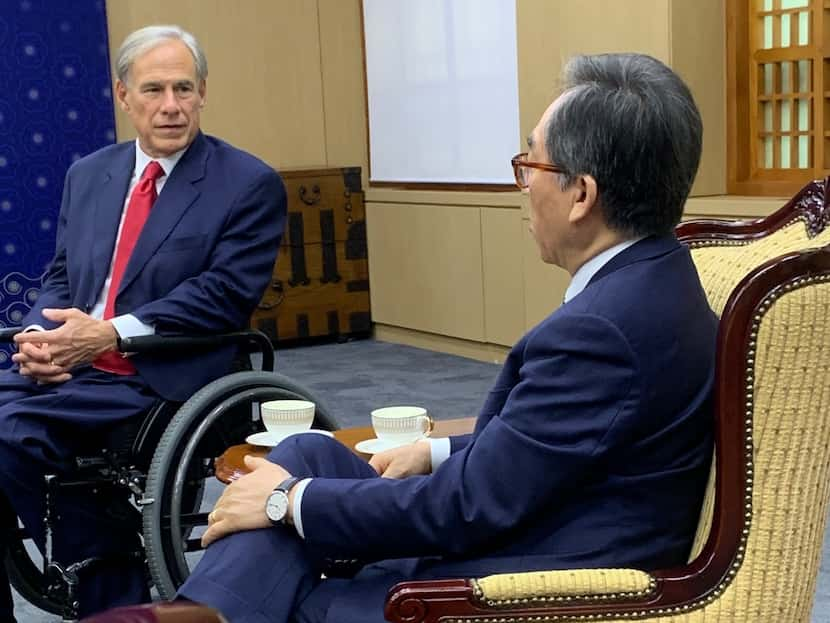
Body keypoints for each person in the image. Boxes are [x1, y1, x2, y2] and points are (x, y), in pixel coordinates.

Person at [177, 52, 718, 623]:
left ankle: (196, 612)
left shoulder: (601, 332)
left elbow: (467, 506)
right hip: (550, 515)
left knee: (289, 555)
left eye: (528, 164)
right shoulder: (657, 279)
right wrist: (436, 449)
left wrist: (286, 503)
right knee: (309, 453)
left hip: (528, 581)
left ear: (581, 195)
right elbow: (556, 446)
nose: (523, 185)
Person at [0, 25, 285, 619]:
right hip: (73, 364)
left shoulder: (247, 183)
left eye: (184, 88)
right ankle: (95, 566)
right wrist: (39, 335)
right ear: (124, 96)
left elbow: (223, 295)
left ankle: (102, 574)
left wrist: (107, 334)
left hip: (159, 370)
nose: (171, 106)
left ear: (203, 92)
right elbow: (60, 275)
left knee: (11, 431)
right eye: (153, 90)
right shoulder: (89, 174)